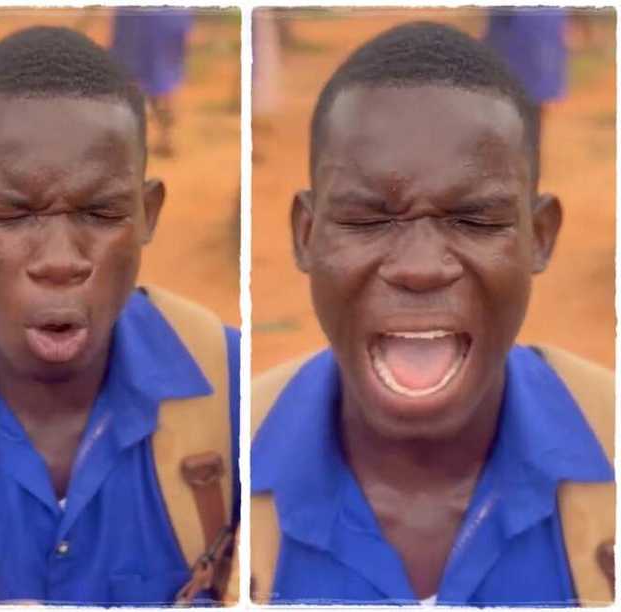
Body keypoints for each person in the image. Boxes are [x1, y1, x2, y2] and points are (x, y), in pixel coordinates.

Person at [250, 22, 613, 606]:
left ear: (539, 237)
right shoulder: (223, 460)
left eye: (475, 220)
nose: (420, 269)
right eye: (368, 220)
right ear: (306, 234)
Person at [0, 27, 239, 605]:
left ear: (147, 214)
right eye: (13, 214)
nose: (59, 261)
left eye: (99, 212)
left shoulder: (235, 399)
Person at [110, 8, 192, 157]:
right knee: (163, 74)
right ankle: (165, 136)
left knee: (134, 73)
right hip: (172, 16)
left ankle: (132, 139)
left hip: (144, 17)